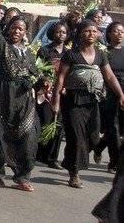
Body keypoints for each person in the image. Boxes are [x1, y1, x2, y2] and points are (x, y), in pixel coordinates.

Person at [53, 19, 124, 189]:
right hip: (73, 102)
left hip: (93, 102)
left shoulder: (101, 55)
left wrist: (121, 94)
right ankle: (74, 173)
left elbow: (109, 77)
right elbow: (61, 77)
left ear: (99, 34)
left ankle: (71, 158)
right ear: (79, 34)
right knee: (76, 138)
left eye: (94, 31)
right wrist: (56, 99)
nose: (91, 34)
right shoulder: (71, 54)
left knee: (93, 138)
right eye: (87, 31)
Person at [0, 0, 40, 192]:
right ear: (8, 30)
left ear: (25, 32)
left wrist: (43, 82)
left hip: (24, 100)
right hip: (3, 96)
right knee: (0, 135)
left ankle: (23, 176)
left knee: (29, 137)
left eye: (21, 29)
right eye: (14, 28)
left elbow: (37, 74)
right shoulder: (1, 45)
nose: (17, 31)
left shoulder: (29, 54)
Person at [35, 20, 69, 170]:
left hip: (62, 92)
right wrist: (45, 79)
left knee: (59, 124)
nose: (60, 35)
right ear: (52, 34)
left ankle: (52, 158)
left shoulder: (69, 53)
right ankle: (39, 154)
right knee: (46, 120)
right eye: (58, 32)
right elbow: (37, 69)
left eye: (63, 32)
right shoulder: (44, 50)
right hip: (47, 92)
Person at [94, 21, 124, 173]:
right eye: (116, 31)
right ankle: (114, 162)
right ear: (110, 34)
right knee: (113, 127)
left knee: (120, 129)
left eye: (122, 32)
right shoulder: (105, 52)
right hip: (110, 94)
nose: (120, 34)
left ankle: (99, 146)